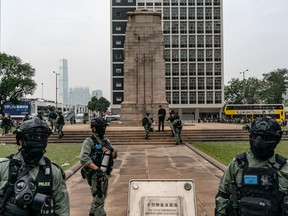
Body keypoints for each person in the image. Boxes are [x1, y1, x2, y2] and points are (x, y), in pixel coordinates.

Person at [215, 117, 288, 216]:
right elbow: (223, 195)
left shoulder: (285, 168)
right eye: (256, 136)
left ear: (276, 139)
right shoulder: (237, 164)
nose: (259, 142)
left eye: (265, 137)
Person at [0, 117, 70, 215]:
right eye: (32, 136)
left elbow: (62, 208)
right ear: (20, 141)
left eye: (42, 137)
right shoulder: (3, 167)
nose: (38, 140)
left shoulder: (53, 172)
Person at [79, 117, 117, 216]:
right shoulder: (89, 141)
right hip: (95, 175)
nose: (104, 129)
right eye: (101, 127)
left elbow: (114, 155)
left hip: (105, 174)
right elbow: (83, 158)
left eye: (104, 127)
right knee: (99, 198)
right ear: (94, 128)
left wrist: (112, 151)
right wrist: (96, 169)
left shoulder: (106, 140)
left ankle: (92, 213)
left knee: (100, 197)